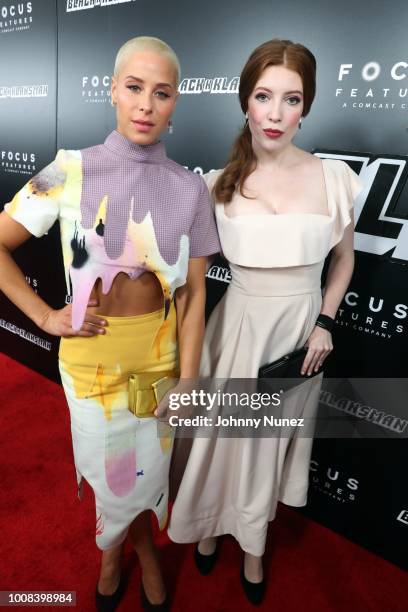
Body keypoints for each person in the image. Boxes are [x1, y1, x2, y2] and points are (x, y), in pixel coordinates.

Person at [0, 36, 219, 611]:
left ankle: (120, 551)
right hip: (89, 364)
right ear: (112, 92)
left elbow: (195, 294)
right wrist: (45, 315)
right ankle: (132, 553)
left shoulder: (191, 188)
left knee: (148, 475)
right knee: (112, 474)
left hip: (161, 362)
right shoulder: (68, 169)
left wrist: (191, 380)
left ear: (176, 102)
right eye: (134, 87)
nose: (147, 104)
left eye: (162, 92)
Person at [168, 39, 363, 605]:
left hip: (300, 337)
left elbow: (344, 258)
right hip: (235, 333)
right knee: (220, 443)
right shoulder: (217, 184)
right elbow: (194, 280)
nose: (276, 114)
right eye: (263, 96)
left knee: (266, 447)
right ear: (245, 103)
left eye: (292, 99)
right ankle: (207, 526)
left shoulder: (335, 179)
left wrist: (325, 322)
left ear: (308, 106)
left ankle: (252, 547)